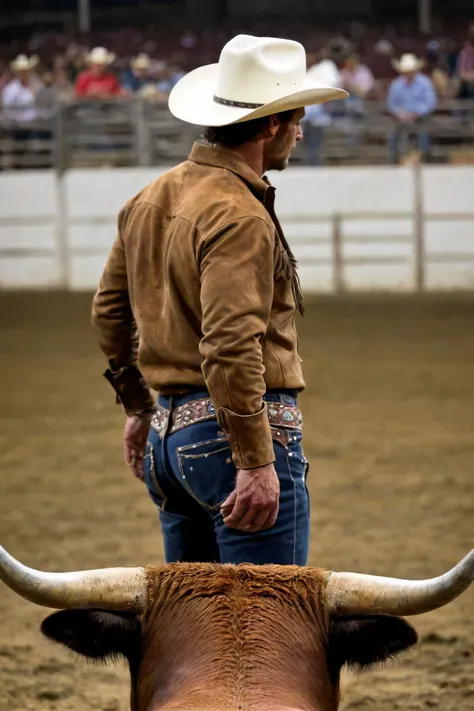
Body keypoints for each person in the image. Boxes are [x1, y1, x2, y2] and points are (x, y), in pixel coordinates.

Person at [91, 34, 347, 566]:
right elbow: (230, 342)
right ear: (271, 123)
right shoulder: (240, 214)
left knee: (190, 625)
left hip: (169, 438)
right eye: (296, 119)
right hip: (233, 444)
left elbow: (110, 311)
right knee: (265, 630)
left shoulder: (148, 198)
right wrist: (255, 460)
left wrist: (139, 408)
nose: (300, 133)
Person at [387, 53, 437, 164]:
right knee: (394, 136)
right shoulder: (396, 85)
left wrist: (417, 113)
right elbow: (391, 104)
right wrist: (400, 113)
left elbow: (430, 102)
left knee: (423, 132)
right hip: (401, 117)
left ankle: (424, 158)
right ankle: (394, 159)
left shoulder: (425, 83)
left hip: (420, 117)